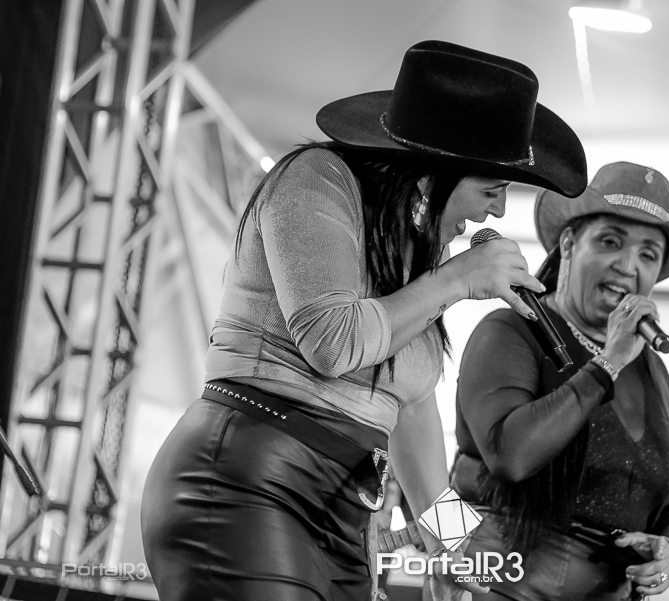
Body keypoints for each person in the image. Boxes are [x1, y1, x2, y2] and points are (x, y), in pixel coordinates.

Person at [140, 40, 587, 601]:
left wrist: (451, 542)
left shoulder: (421, 253)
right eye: (491, 190)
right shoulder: (314, 180)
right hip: (247, 482)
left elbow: (411, 405)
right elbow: (332, 341)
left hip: (343, 509)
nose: (496, 211)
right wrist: (456, 280)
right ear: (434, 173)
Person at [452, 161, 669, 601]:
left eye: (648, 254)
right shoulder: (512, 329)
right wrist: (607, 364)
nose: (628, 265)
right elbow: (510, 455)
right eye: (611, 242)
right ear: (570, 244)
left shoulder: (648, 366)